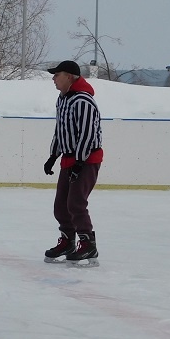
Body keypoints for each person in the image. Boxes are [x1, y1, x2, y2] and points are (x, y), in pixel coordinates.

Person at [42, 60, 103, 267]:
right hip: (69, 158)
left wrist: (79, 162)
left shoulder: (83, 101)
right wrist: (53, 155)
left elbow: (87, 133)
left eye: (56, 75)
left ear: (69, 76)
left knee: (76, 202)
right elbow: (61, 130)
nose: (53, 78)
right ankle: (68, 241)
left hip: (86, 159)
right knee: (61, 205)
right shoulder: (63, 99)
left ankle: (88, 244)